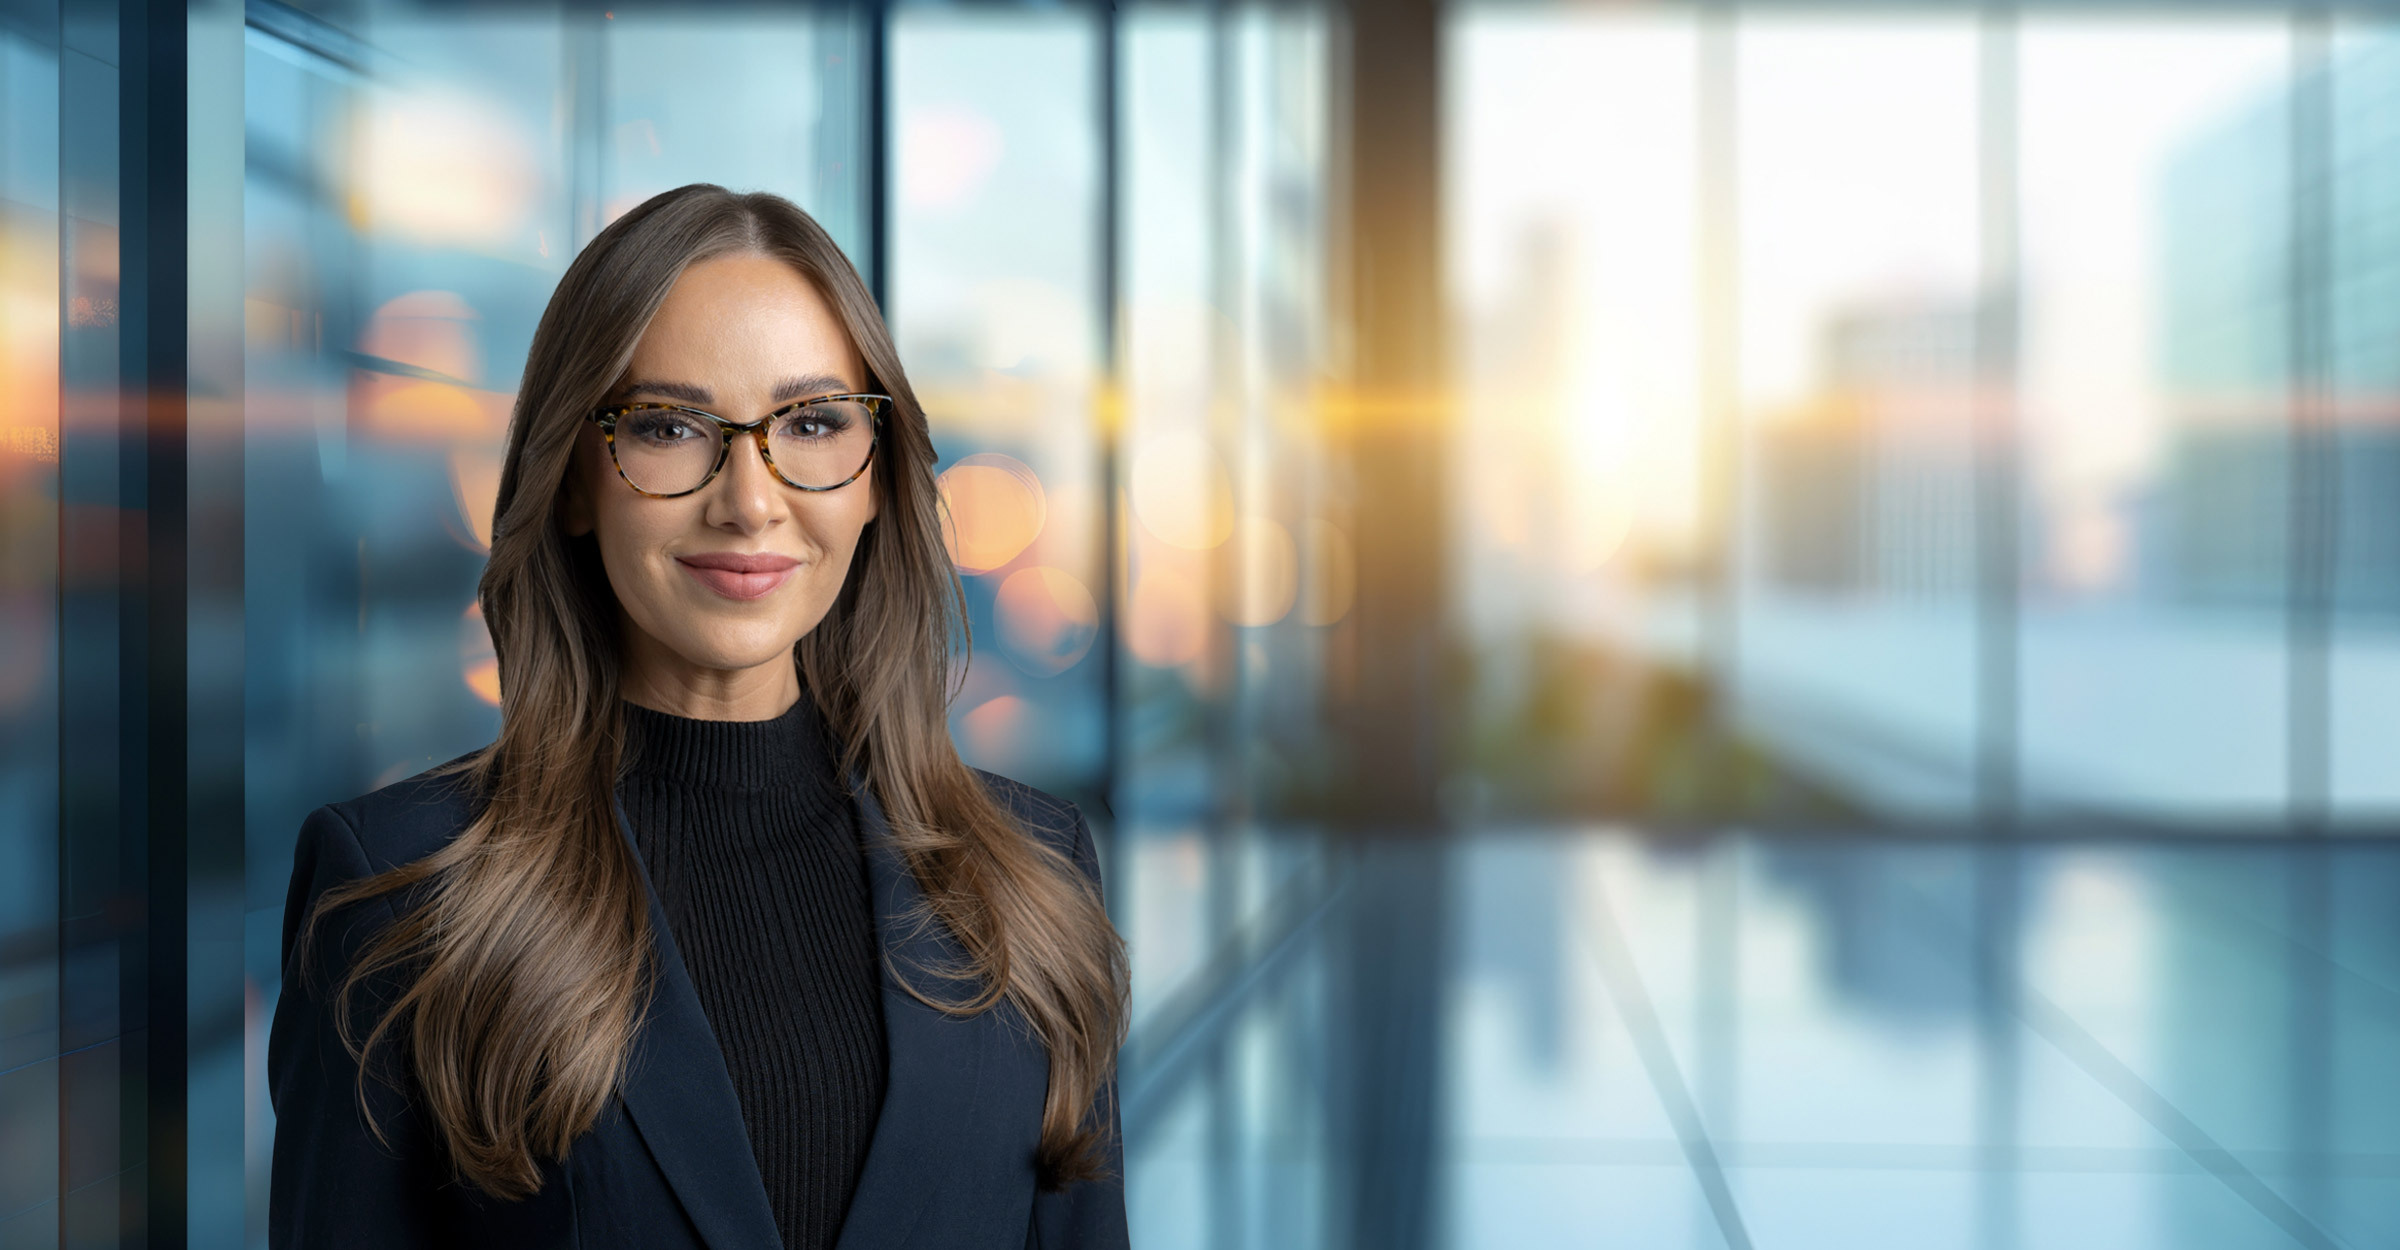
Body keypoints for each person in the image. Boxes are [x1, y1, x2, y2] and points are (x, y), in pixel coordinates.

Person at [267, 183, 1131, 1249]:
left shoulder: (1034, 881)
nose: (750, 499)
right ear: (576, 479)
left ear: (875, 479)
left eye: (812, 422)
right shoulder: (399, 891)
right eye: (670, 426)